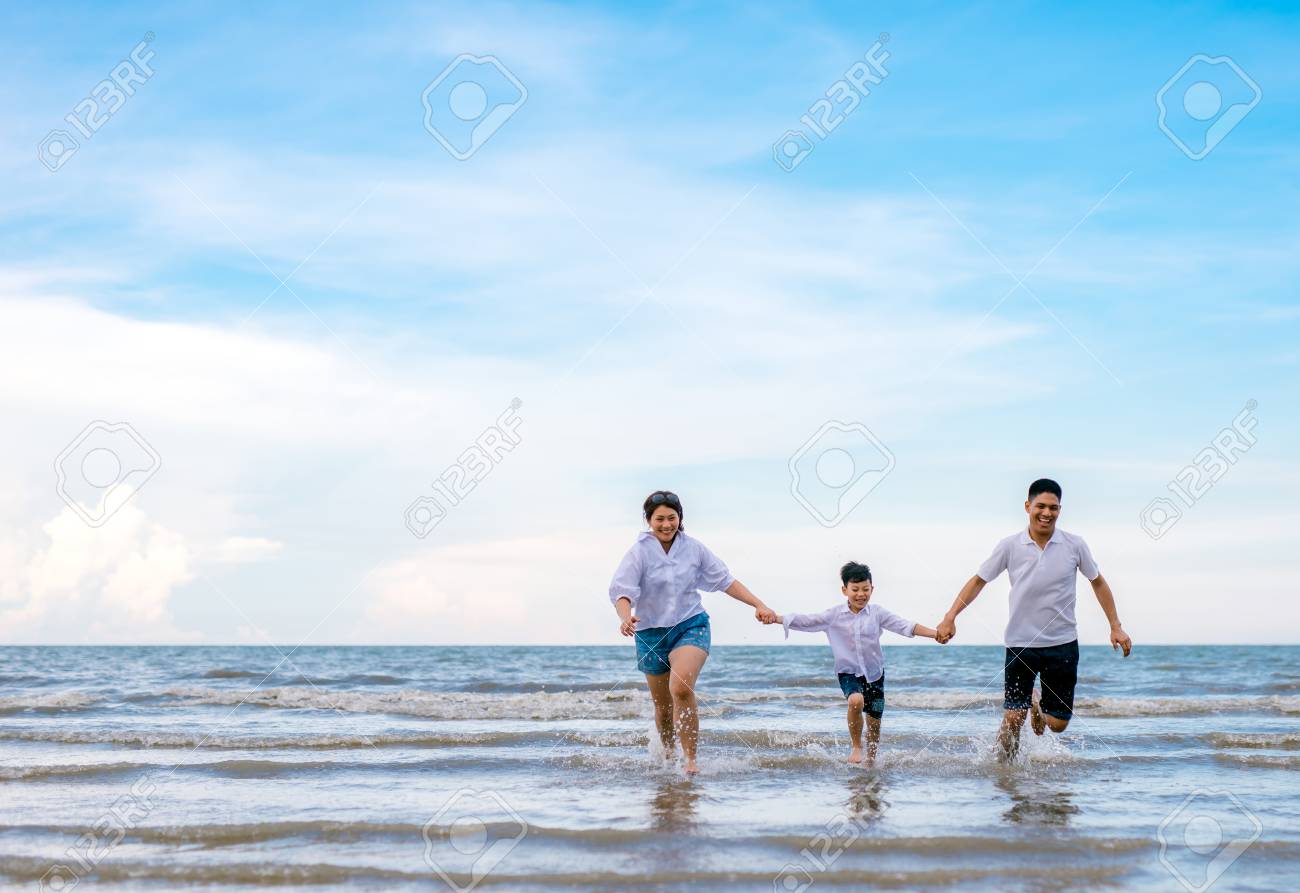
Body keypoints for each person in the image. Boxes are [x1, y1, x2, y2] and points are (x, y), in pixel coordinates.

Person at [935, 478, 1133, 760]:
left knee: (1058, 724)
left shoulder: (1074, 545)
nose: (1047, 513)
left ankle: (1038, 707)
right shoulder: (1010, 545)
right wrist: (950, 616)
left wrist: (1115, 625)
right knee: (1014, 716)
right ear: (1028, 506)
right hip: (1020, 642)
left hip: (1062, 643)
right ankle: (1005, 771)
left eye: (1053, 508)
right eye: (1040, 506)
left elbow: (1098, 582)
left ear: (1060, 510)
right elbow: (979, 581)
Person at [609, 490, 776, 774]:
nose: (666, 525)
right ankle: (669, 756)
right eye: (659, 519)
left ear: (680, 518)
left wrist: (758, 604)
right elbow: (621, 593)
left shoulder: (694, 549)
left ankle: (691, 761)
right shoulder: (639, 552)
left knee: (681, 687)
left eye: (671, 518)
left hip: (691, 624)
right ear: (649, 520)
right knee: (662, 708)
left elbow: (725, 580)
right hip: (650, 634)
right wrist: (625, 618)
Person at [771, 561, 939, 764]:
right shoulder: (833, 615)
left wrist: (935, 634)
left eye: (865, 589)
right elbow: (807, 621)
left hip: (875, 673)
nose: (861, 594)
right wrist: (777, 618)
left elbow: (905, 626)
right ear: (845, 590)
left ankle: (871, 761)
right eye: (855, 589)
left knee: (874, 722)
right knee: (855, 701)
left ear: (872, 589)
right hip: (848, 671)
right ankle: (857, 747)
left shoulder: (877, 613)